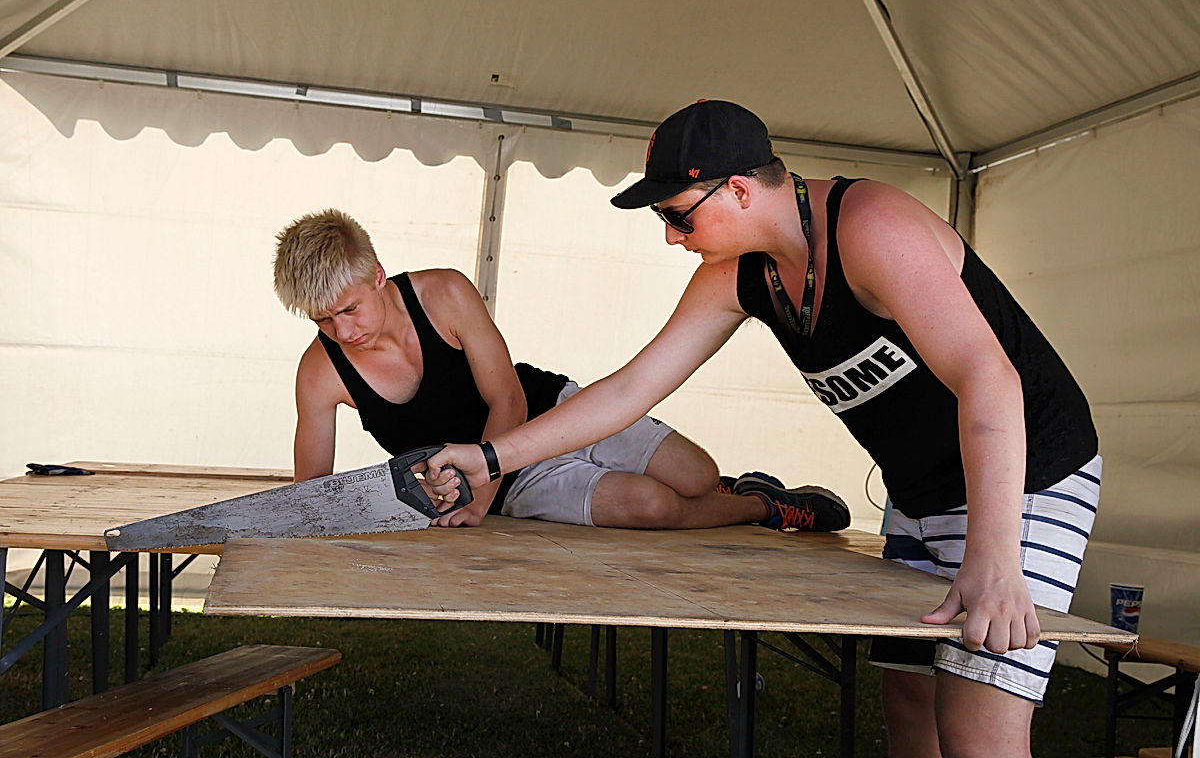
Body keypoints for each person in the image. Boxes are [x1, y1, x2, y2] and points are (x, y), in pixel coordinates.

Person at [429, 100, 1101, 757]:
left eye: (676, 217)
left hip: (1026, 472)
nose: (671, 237)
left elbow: (990, 377)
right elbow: (629, 391)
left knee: (976, 729)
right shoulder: (738, 275)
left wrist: (995, 554)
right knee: (910, 706)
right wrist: (492, 457)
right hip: (922, 492)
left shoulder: (871, 228)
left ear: (741, 191)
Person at [271, 208, 850, 532]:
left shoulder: (444, 293)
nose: (343, 332)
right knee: (654, 507)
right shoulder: (319, 373)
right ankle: (765, 507)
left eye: (349, 309)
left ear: (377, 274)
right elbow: (312, 493)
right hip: (507, 484)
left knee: (698, 474)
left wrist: (478, 489)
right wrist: (474, 501)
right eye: (323, 321)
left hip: (546, 413)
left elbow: (510, 403)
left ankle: (724, 490)